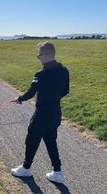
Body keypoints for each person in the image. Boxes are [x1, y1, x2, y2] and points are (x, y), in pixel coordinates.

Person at [11, 41, 69, 183]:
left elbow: (31, 93)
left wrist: (20, 99)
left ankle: (25, 168)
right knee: (50, 141)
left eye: (39, 55)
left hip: (42, 114)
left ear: (47, 54)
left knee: (31, 139)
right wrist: (53, 98)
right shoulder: (64, 71)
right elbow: (65, 91)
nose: (38, 58)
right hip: (56, 114)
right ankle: (58, 172)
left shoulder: (41, 74)